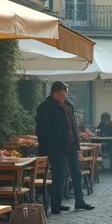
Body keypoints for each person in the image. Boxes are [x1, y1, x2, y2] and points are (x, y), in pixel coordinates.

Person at [35, 81, 94, 214]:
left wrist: (77, 142)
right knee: (60, 176)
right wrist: (47, 147)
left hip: (71, 145)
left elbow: (72, 125)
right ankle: (56, 205)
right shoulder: (45, 107)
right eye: (62, 95)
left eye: (65, 94)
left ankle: (80, 201)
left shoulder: (68, 105)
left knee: (76, 173)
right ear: (54, 93)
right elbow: (41, 130)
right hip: (57, 148)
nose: (64, 97)